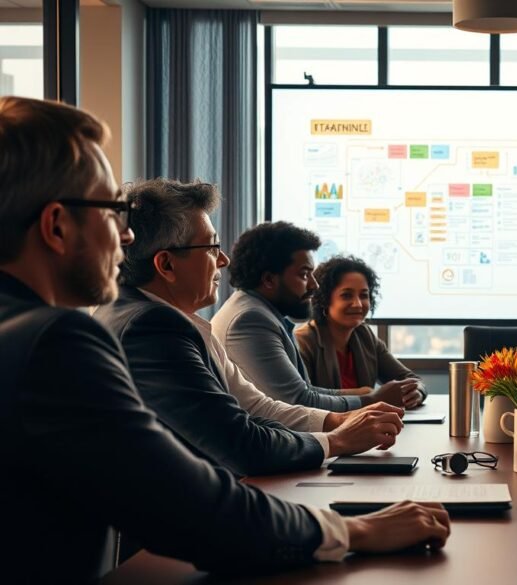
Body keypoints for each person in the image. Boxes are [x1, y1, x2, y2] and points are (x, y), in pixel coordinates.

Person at [0, 96, 449, 582]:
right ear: (56, 225)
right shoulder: (56, 342)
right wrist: (354, 530)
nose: (126, 238)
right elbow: (191, 504)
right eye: (112, 211)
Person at [94, 178, 406, 476]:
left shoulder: (171, 318)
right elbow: (240, 444)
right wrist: (338, 441)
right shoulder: (152, 329)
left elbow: (254, 405)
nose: (223, 261)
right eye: (213, 247)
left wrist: (337, 420)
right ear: (167, 265)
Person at [211, 221, 420, 411]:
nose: (314, 285)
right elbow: (298, 401)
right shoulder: (250, 319)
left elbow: (306, 391)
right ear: (268, 280)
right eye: (304, 274)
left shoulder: (265, 314)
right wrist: (371, 400)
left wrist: (368, 394)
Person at [294, 254, 426, 408]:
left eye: (364, 295)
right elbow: (303, 397)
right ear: (324, 300)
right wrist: (366, 394)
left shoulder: (364, 335)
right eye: (346, 295)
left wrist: (417, 392)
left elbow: (411, 379)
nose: (357, 304)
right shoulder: (304, 341)